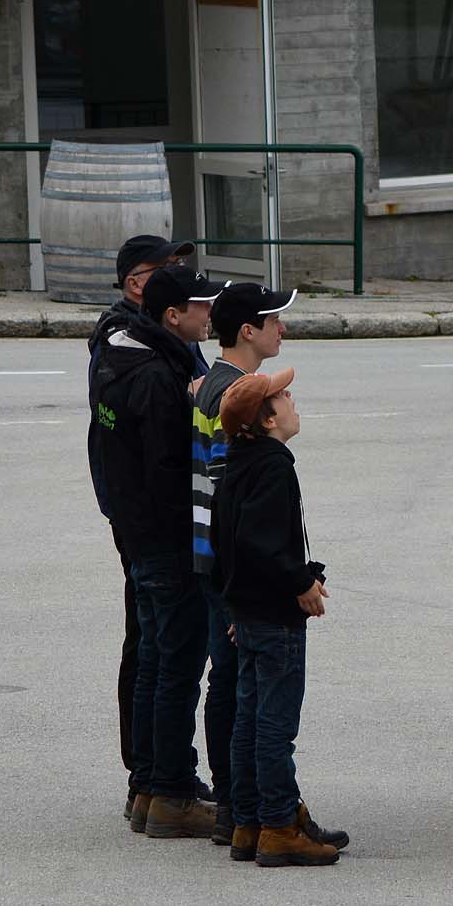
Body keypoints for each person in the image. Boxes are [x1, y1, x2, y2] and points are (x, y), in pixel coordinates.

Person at [93, 263, 217, 839]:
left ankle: (147, 784)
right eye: (202, 306)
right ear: (173, 316)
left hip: (137, 535)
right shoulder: (156, 375)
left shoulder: (124, 354)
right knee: (177, 666)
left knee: (152, 661)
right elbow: (170, 469)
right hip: (165, 542)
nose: (210, 314)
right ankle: (170, 790)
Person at [212, 369, 348, 866]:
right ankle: (278, 824)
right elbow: (259, 543)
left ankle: (249, 821)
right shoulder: (272, 468)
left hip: (248, 611)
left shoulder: (237, 463)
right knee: (274, 724)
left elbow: (225, 542)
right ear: (267, 419)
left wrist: (233, 602)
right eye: (283, 396)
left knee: (249, 719)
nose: (292, 400)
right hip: (273, 616)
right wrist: (301, 583)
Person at [187, 281, 297, 845]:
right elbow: (238, 494)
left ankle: (243, 802)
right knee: (239, 685)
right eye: (274, 320)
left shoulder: (211, 386)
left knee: (231, 682)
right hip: (227, 563)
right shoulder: (238, 396)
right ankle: (243, 804)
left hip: (213, 556)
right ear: (249, 331)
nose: (283, 328)